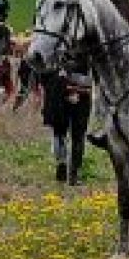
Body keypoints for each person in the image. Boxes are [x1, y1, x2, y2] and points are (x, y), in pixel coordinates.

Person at [41, 53, 93, 186]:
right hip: (60, 94)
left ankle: (72, 173)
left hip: (80, 94)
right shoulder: (57, 46)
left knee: (77, 135)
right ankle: (63, 168)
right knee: (60, 132)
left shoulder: (85, 46)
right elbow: (44, 72)